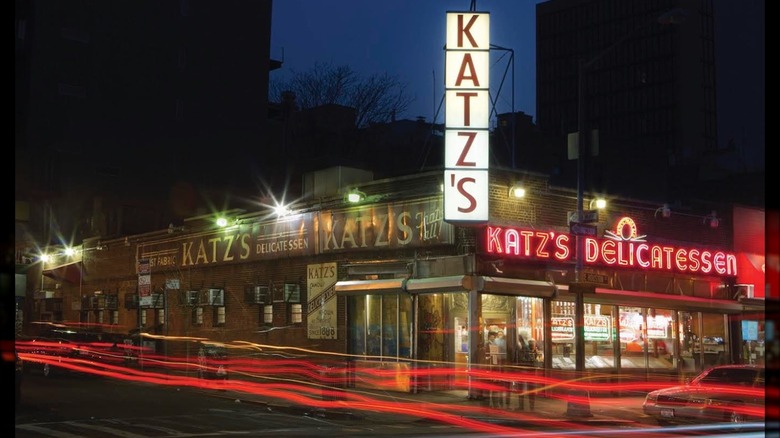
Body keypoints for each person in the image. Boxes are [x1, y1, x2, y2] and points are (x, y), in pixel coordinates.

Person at [514, 333, 538, 410]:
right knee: (530, 389)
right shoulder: (532, 350)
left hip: (524, 371)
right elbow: (533, 360)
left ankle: (522, 406)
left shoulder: (524, 348)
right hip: (531, 371)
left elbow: (524, 360)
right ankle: (531, 407)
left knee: (522, 389)